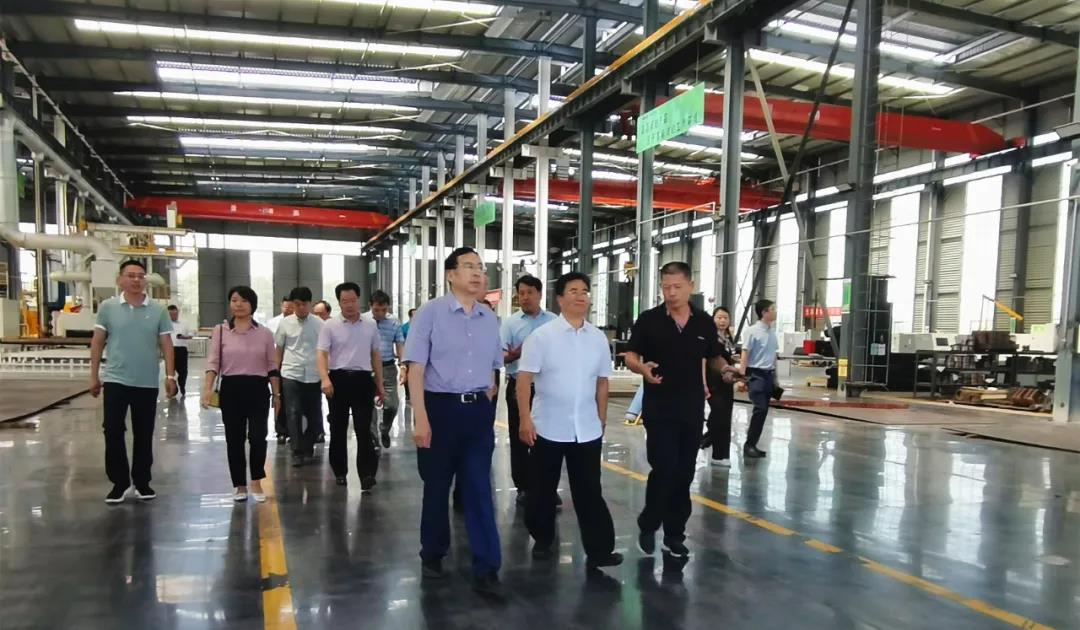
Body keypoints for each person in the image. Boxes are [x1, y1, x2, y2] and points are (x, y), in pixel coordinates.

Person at [404, 247, 503, 595]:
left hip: (477, 413)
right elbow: (415, 369)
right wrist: (421, 418)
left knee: (479, 488)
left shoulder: (489, 318)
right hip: (440, 411)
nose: (477, 273)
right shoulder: (430, 313)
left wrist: (487, 397)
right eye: (469, 266)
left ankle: (487, 566)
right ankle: (432, 552)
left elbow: (494, 367)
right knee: (437, 486)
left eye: (481, 267)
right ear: (450, 274)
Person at [517, 272, 622, 571]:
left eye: (585, 291)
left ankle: (600, 550)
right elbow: (523, 380)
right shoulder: (542, 337)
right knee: (542, 490)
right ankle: (542, 539)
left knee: (589, 491)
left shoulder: (598, 338)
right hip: (548, 426)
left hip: (586, 428)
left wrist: (601, 419)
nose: (580, 296)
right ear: (560, 299)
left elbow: (602, 382)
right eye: (573, 290)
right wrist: (525, 419)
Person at [624, 261, 722, 558]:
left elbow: (714, 357)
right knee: (665, 468)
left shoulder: (704, 322)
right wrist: (642, 368)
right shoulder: (649, 320)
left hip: (691, 409)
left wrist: (727, 371)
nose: (671, 293)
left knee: (684, 473)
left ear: (691, 285)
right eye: (666, 287)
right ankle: (649, 523)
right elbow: (630, 355)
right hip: (660, 408)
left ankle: (674, 534)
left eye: (677, 286)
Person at [90, 260, 177, 504]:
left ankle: (142, 481)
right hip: (115, 379)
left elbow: (166, 344)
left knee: (144, 432)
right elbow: (98, 341)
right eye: (131, 275)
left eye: (140, 276)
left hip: (146, 381)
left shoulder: (158, 310)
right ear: (120, 279)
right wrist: (94, 375)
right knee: (113, 430)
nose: (136, 280)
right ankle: (119, 483)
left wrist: (170, 376)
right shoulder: (108, 307)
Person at [202, 286, 281, 503]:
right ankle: (239, 485)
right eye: (234, 300)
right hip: (231, 389)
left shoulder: (265, 333)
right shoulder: (220, 331)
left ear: (252, 305)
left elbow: (272, 366)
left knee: (258, 436)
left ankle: (256, 481)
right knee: (234, 439)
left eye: (244, 300)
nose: (238, 304)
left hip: (258, 389)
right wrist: (207, 389)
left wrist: (277, 395)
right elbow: (213, 362)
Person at [317, 282, 386, 490]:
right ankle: (340, 471)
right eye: (344, 301)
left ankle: (367, 474)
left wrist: (380, 384)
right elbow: (321, 354)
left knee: (364, 428)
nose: (349, 305)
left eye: (353, 301)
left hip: (363, 380)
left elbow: (376, 355)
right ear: (339, 302)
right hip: (337, 380)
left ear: (359, 300)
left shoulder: (370, 325)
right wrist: (325, 379)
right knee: (338, 428)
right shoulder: (330, 325)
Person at [500, 275, 556, 505]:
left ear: (540, 294)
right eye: (521, 293)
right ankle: (523, 487)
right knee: (520, 438)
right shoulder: (510, 324)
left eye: (530, 292)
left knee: (548, 439)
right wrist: (516, 354)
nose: (525, 297)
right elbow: (500, 357)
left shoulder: (554, 322)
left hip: (548, 389)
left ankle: (547, 488)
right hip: (519, 387)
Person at [275, 287, 324, 467]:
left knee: (315, 416)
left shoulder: (320, 324)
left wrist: (326, 374)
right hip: (291, 374)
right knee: (293, 412)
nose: (301, 308)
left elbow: (325, 351)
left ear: (310, 304)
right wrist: (275, 373)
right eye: (297, 304)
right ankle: (296, 451)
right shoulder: (285, 324)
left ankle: (307, 445)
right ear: (292, 304)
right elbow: (279, 349)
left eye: (304, 304)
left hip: (314, 374)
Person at [739, 299, 779, 459]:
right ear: (764, 312)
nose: (775, 312)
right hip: (756, 374)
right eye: (772, 309)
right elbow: (745, 353)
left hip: (768, 375)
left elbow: (774, 356)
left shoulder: (772, 332)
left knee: (763, 411)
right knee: (760, 408)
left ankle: (753, 444)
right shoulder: (752, 331)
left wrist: (776, 378)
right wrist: (742, 377)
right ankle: (749, 445)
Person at [365, 290, 405, 449]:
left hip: (387, 367)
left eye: (384, 309)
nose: (380, 313)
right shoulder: (362, 320)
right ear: (370, 306)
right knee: (368, 406)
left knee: (392, 404)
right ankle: (373, 439)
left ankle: (385, 428)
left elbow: (400, 344)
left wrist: (403, 365)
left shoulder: (394, 322)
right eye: (376, 310)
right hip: (366, 369)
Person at [700, 306, 740, 467]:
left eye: (726, 318)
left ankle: (721, 454)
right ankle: (716, 451)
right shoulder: (709, 338)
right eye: (719, 317)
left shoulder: (728, 338)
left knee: (725, 417)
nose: (723, 321)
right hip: (713, 381)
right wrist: (703, 383)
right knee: (719, 415)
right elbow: (703, 360)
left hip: (727, 382)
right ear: (713, 319)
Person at [269, 297, 294, 443]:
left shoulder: (298, 323)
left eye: (291, 307)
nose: (288, 310)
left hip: (292, 365)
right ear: (281, 306)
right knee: (278, 398)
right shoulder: (272, 323)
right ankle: (280, 431)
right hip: (276, 364)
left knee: (293, 401)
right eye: (286, 307)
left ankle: (293, 431)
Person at [167, 305, 194, 397]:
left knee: (183, 372)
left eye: (175, 314)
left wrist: (184, 337)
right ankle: (172, 391)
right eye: (171, 314)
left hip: (181, 350)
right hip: (169, 350)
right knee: (169, 373)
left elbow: (191, 334)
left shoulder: (184, 323)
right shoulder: (164, 324)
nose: (174, 316)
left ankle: (182, 385)